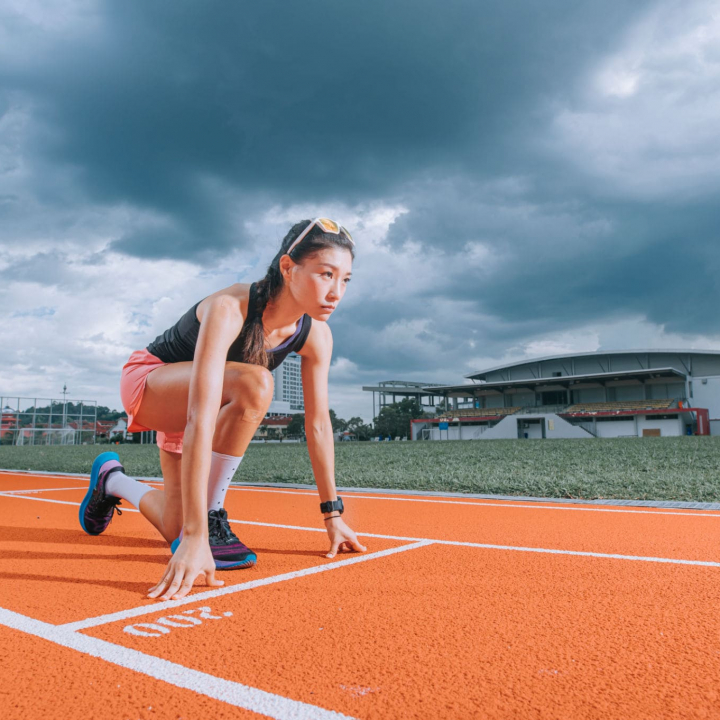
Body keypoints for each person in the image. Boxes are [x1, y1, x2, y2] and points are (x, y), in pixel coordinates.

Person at [78, 218, 367, 601]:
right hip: (152, 384)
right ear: (287, 267)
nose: (336, 292)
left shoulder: (316, 336)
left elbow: (318, 426)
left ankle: (110, 480)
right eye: (326, 274)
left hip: (203, 404)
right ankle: (212, 520)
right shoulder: (230, 308)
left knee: (174, 525)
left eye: (345, 279)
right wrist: (198, 536)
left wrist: (333, 515)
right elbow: (199, 414)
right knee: (256, 382)